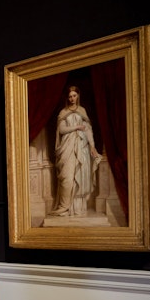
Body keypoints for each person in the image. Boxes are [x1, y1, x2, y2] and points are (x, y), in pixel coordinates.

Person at [49, 85, 101, 217]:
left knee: (80, 176)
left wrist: (92, 146)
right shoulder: (63, 112)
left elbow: (88, 129)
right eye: (70, 96)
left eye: (74, 95)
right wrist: (77, 126)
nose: (72, 98)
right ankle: (64, 207)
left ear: (78, 96)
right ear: (67, 98)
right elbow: (62, 130)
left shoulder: (82, 110)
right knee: (67, 178)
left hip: (81, 147)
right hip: (67, 147)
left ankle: (76, 209)